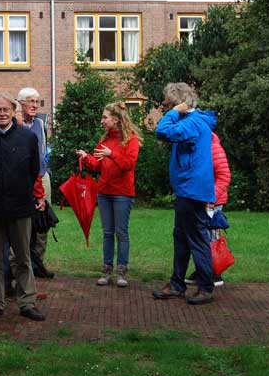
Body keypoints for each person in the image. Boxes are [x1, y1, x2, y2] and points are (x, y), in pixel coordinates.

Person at [0, 92, 44, 322]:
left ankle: (27, 302)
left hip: (21, 208)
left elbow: (34, 170)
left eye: (6, 109)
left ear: (14, 111)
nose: (2, 113)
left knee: (23, 258)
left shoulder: (27, 138)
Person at [153, 83, 217, 305]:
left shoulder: (192, 123)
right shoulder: (197, 122)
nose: (166, 107)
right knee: (181, 237)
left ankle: (205, 287)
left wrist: (173, 113)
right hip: (189, 190)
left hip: (192, 190)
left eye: (169, 104)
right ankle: (178, 283)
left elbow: (162, 131)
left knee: (196, 239)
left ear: (180, 102)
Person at [76, 102, 142, 287]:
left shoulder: (131, 140)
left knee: (121, 233)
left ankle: (121, 272)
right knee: (107, 233)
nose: (102, 121)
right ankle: (106, 271)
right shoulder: (104, 140)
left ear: (116, 119)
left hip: (122, 193)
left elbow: (128, 164)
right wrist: (86, 157)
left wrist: (111, 154)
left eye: (105, 117)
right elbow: (97, 165)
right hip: (104, 192)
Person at [17, 87, 54, 279]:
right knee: (23, 222)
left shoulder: (41, 123)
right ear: (20, 104)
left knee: (42, 220)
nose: (34, 105)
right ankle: (21, 265)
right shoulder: (16, 124)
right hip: (22, 179)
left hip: (42, 176)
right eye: (30, 101)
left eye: (36, 102)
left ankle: (38, 262)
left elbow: (42, 150)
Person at [186, 132, 230, 287]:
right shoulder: (199, 147)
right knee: (201, 236)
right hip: (200, 199)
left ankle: (215, 273)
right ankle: (203, 270)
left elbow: (224, 176)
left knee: (211, 237)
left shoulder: (214, 148)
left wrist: (211, 198)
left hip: (212, 201)